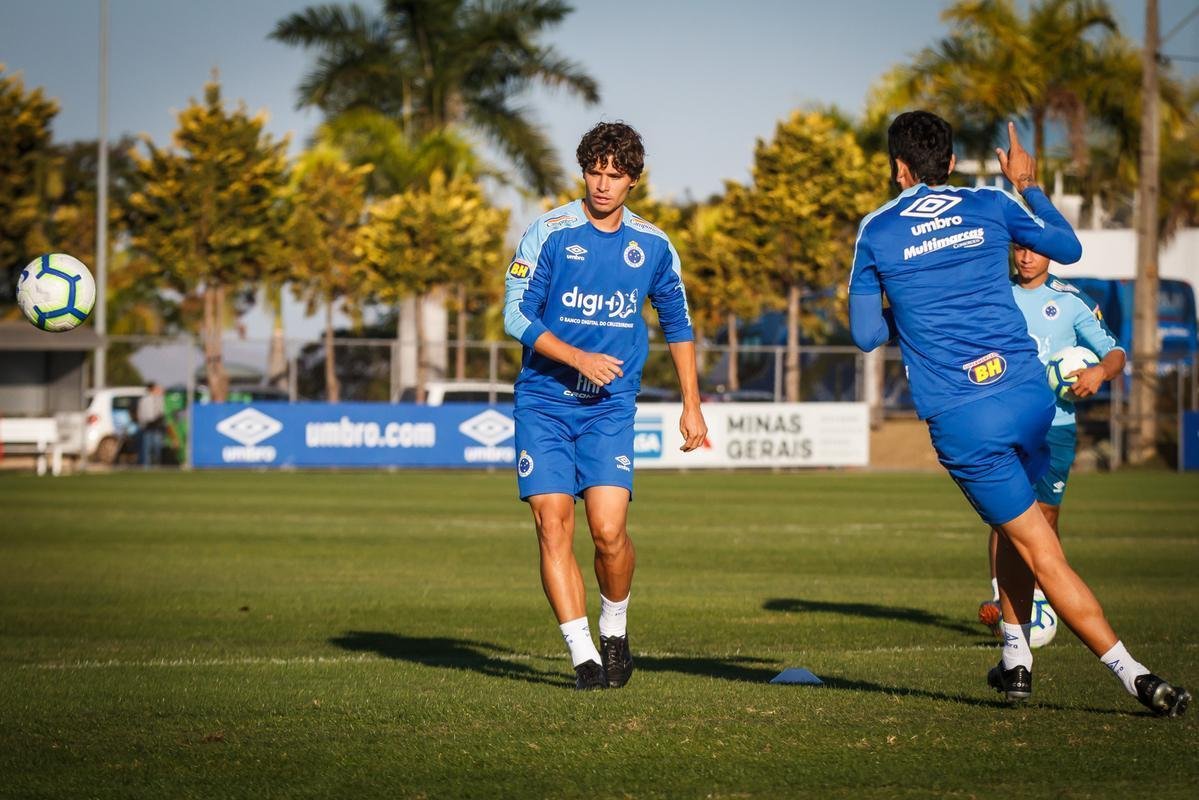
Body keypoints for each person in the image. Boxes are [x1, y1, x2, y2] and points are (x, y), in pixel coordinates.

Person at [848, 110, 1188, 716]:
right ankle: (1015, 660)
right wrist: (1026, 183)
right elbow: (1068, 245)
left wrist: (910, 300)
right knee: (1017, 530)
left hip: (965, 417)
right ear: (950, 163)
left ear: (899, 168)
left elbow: (867, 334)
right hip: (1031, 399)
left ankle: (1135, 675)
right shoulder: (988, 203)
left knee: (1038, 549)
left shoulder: (876, 230)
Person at [503, 122, 707, 690]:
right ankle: (584, 657)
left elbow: (679, 325)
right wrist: (575, 358)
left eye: (614, 175)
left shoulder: (656, 246)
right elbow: (515, 315)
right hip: (543, 401)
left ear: (633, 181)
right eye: (594, 171)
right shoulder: (549, 231)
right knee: (552, 524)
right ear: (583, 171)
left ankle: (614, 627)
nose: (601, 184)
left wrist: (692, 404)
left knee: (609, 531)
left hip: (610, 408)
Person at [977, 246, 1126, 639]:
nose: (1026, 258)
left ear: (1050, 256)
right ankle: (1001, 601)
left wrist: (1098, 373)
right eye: (1020, 250)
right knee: (1006, 514)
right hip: (1005, 422)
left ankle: (1041, 596)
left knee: (1046, 517)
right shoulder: (996, 293)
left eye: (1035, 251)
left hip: (1056, 426)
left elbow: (1115, 352)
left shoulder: (1071, 300)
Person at [136, 382, 166, 467]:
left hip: (157, 427)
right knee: (146, 448)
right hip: (147, 427)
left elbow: (162, 412)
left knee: (157, 448)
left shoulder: (160, 399)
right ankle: (146, 466)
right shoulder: (144, 400)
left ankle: (156, 465)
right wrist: (143, 423)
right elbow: (141, 413)